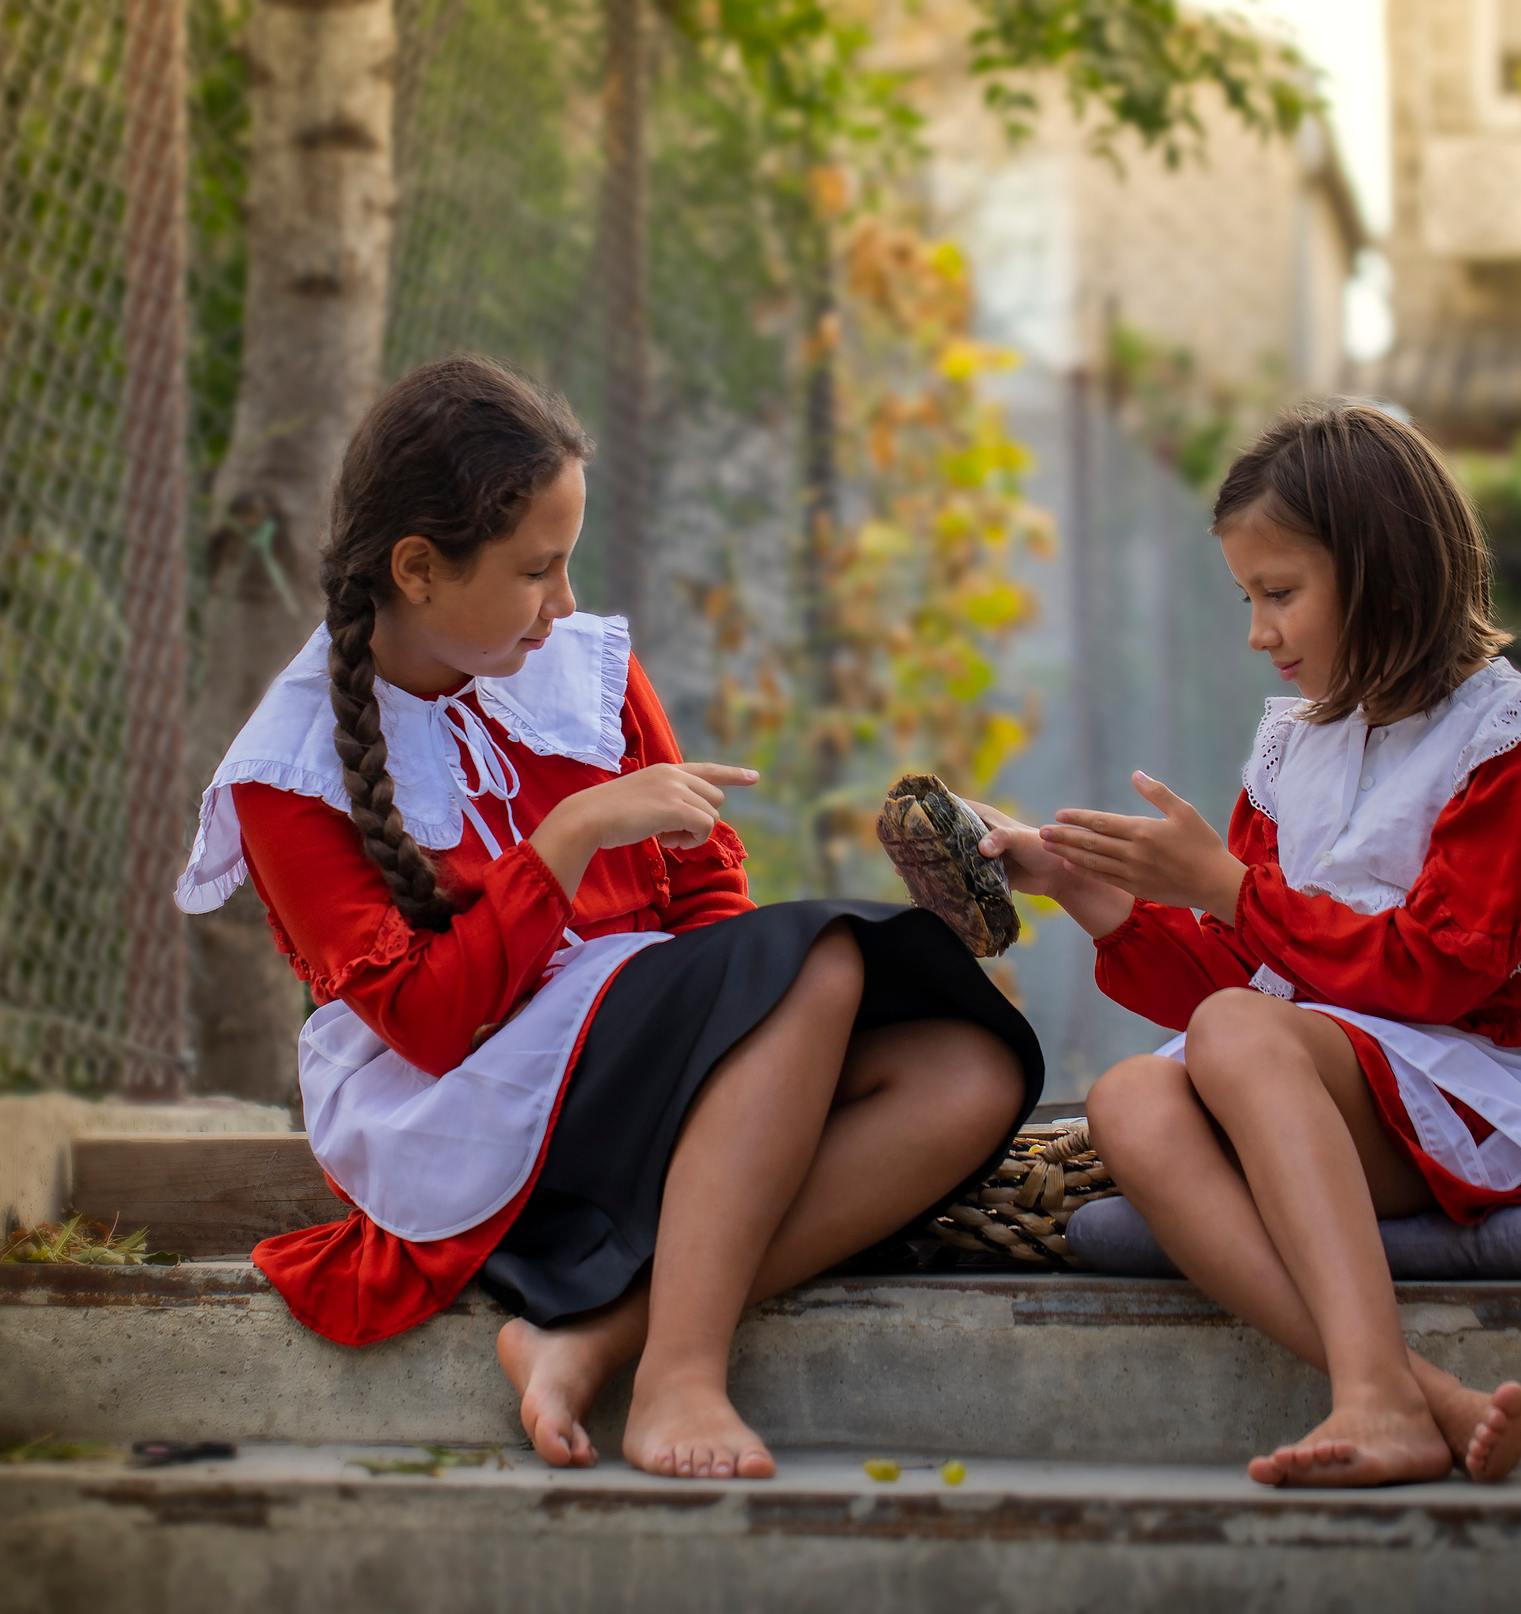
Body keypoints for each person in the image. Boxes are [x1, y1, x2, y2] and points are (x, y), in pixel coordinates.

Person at [175, 354, 1042, 1480]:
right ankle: (679, 1378)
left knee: (964, 1074)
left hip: (626, 1058)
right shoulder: (289, 774)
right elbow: (430, 1027)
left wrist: (735, 1061)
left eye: (568, 562)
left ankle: (585, 1341)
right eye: (537, 570)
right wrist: (568, 839)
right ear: (419, 570)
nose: (566, 604)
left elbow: (708, 901)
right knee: (821, 966)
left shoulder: (580, 672)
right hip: (457, 1101)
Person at [975, 400, 1521, 1489]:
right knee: (1129, 1100)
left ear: (1383, 573)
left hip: (1453, 1091)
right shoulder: (1292, 748)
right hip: (1303, 1084)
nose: (1257, 632)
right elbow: (1243, 978)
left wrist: (1229, 887)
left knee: (1236, 1034)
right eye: (1248, 598)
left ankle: (1378, 1393)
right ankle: (1404, 1386)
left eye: (1279, 594)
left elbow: (1438, 971)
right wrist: (1082, 891)